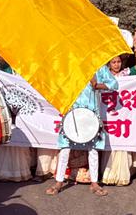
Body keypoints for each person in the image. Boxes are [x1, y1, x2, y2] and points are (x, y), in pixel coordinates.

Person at [47, 61, 118, 197]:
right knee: (65, 148)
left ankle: (94, 183)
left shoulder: (100, 68)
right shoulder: (70, 65)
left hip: (91, 115)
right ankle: (59, 181)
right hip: (72, 113)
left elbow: (115, 85)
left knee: (93, 149)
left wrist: (97, 85)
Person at [101, 55, 135, 186]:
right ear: (109, 64)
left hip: (124, 113)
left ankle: (122, 175)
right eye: (113, 62)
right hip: (109, 113)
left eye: (119, 62)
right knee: (111, 141)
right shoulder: (104, 75)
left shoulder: (125, 74)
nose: (116, 64)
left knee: (122, 140)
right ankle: (108, 173)